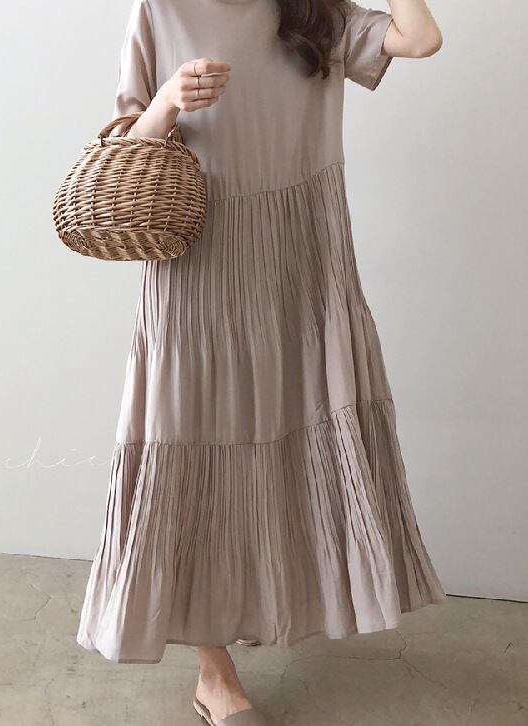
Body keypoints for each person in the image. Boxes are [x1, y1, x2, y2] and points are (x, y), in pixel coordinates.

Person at [77, 1, 445, 723]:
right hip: (201, 269)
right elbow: (125, 143)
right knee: (194, 451)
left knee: (286, 442)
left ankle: (277, 602)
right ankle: (213, 675)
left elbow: (421, 38)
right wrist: (167, 101)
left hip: (300, 260)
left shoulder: (312, 11)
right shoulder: (162, 8)